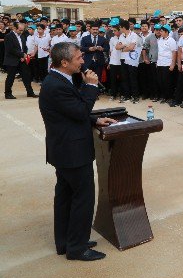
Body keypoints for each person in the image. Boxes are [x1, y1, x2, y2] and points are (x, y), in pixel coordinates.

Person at [38, 42, 116, 261]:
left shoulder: (58, 79)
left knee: (65, 197)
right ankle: (77, 248)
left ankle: (66, 242)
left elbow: (72, 110)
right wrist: (91, 86)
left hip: (64, 150)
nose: (83, 61)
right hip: (72, 152)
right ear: (64, 62)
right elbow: (81, 108)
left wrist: (95, 119)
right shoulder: (57, 85)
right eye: (79, 58)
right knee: (83, 198)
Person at [4, 20, 37, 99]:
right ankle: (8, 93)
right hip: (12, 60)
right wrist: (22, 55)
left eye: (22, 30)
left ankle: (30, 92)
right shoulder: (8, 36)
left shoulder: (22, 36)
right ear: (14, 28)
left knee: (26, 76)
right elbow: (10, 49)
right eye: (20, 30)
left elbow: (24, 47)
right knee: (10, 77)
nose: (21, 32)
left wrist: (23, 56)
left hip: (22, 60)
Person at [156, 26, 177, 103]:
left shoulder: (171, 40)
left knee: (167, 81)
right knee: (160, 81)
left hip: (167, 63)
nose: (160, 32)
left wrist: (173, 64)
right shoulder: (160, 40)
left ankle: (169, 97)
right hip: (160, 63)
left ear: (166, 32)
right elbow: (159, 52)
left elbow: (174, 52)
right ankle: (164, 96)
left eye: (161, 31)